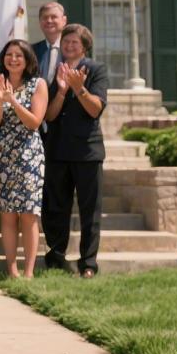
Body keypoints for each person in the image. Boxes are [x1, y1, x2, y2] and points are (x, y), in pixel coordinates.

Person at [43, 24, 108, 278]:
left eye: (74, 42)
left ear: (85, 46)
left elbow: (95, 109)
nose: (69, 46)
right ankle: (56, 256)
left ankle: (88, 263)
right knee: (56, 207)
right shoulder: (57, 70)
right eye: (66, 41)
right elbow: (49, 115)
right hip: (57, 150)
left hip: (87, 151)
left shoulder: (96, 70)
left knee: (90, 210)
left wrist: (79, 88)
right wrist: (61, 90)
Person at [0, 39, 48, 278]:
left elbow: (34, 122)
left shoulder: (38, 84)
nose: (13, 59)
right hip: (1, 155)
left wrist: (13, 101)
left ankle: (29, 271)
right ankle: (12, 269)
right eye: (9, 55)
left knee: (29, 215)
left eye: (18, 55)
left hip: (29, 155)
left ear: (28, 59)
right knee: (8, 215)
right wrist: (1, 101)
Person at [33, 2, 67, 85]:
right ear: (40, 22)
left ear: (64, 20)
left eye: (54, 17)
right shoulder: (31, 51)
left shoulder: (73, 49)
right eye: (45, 18)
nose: (49, 21)